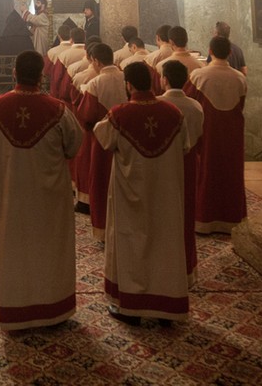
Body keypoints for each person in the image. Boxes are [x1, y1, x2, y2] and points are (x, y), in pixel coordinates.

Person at [0, 50, 82, 331]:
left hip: (10, 197)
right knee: (49, 249)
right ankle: (54, 309)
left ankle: (17, 310)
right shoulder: (59, 111)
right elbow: (74, 147)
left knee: (14, 249)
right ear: (41, 75)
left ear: (14, 73)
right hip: (49, 201)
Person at [93, 61, 191, 326]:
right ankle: (167, 306)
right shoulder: (173, 113)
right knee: (165, 242)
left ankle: (131, 306)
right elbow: (186, 144)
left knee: (130, 242)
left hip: (130, 191)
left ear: (128, 84)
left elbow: (101, 137)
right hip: (165, 192)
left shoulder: (118, 114)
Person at [187, 36, 248, 235]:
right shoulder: (239, 77)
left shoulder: (199, 75)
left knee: (207, 172)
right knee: (231, 172)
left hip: (208, 130)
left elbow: (189, 102)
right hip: (232, 132)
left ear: (210, 51)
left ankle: (206, 219)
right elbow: (241, 104)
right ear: (230, 53)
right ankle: (231, 219)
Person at [159, 60, 204, 284]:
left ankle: (162, 270)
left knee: (162, 217)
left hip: (162, 167)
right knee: (185, 216)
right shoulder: (196, 106)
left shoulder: (157, 106)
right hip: (188, 165)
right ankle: (185, 270)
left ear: (164, 79)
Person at [76, 43, 126, 231]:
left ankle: (102, 220)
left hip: (101, 136)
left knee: (101, 176)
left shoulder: (95, 83)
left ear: (96, 61)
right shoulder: (124, 76)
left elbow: (86, 115)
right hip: (125, 134)